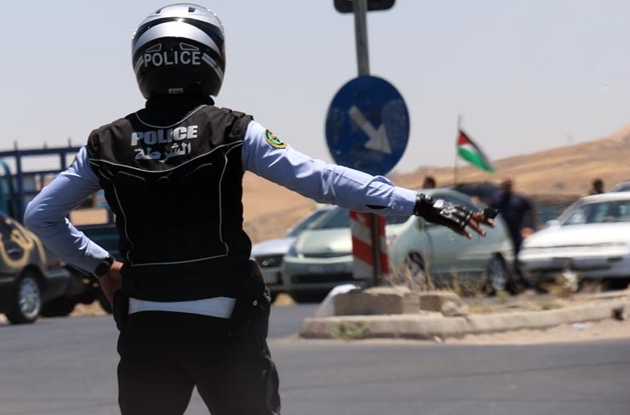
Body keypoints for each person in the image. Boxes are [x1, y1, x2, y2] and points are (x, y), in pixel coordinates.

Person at [23, 4, 494, 415]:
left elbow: (40, 216)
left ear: (143, 63)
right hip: (226, 325)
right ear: (210, 59)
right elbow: (324, 181)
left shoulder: (105, 143)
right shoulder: (232, 130)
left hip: (146, 324)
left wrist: (100, 265)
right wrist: (419, 202)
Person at [489, 176, 536, 284]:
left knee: (517, 255)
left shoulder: (520, 199)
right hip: (501, 233)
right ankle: (507, 279)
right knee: (503, 256)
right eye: (505, 185)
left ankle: (520, 280)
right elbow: (489, 214)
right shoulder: (496, 199)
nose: (507, 187)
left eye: (508, 185)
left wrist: (528, 227)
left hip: (517, 232)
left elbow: (531, 212)